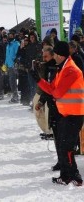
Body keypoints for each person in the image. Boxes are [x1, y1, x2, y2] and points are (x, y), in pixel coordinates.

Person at [31, 41, 84, 186]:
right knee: (62, 145)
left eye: (54, 53)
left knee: (66, 147)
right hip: (66, 114)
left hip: (75, 114)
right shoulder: (63, 68)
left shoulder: (71, 70)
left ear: (60, 55)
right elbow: (50, 88)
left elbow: (57, 92)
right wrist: (38, 79)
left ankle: (75, 177)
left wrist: (46, 86)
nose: (53, 56)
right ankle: (66, 176)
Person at [34, 46, 61, 170]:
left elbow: (51, 89)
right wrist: (41, 102)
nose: (43, 58)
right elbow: (47, 88)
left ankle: (66, 163)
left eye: (46, 56)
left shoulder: (56, 68)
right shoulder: (48, 67)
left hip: (60, 107)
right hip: (52, 104)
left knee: (62, 137)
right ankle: (61, 160)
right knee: (57, 136)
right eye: (42, 56)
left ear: (52, 55)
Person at [5, 30, 20, 103]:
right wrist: (5, 65)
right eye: (9, 35)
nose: (10, 36)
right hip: (9, 65)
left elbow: (18, 54)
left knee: (13, 81)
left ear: (14, 35)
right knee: (11, 81)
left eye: (12, 35)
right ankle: (15, 95)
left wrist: (16, 62)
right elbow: (7, 56)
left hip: (14, 65)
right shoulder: (8, 45)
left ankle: (16, 96)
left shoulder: (16, 43)